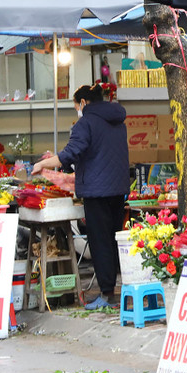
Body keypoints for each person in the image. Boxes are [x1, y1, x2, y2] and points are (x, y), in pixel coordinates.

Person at [31, 83, 129, 310]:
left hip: (97, 192)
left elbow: (70, 153)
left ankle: (107, 295)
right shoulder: (117, 121)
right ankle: (116, 290)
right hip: (118, 188)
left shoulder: (86, 123)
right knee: (113, 240)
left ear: (83, 103)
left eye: (76, 105)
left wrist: (43, 164)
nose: (77, 109)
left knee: (100, 242)